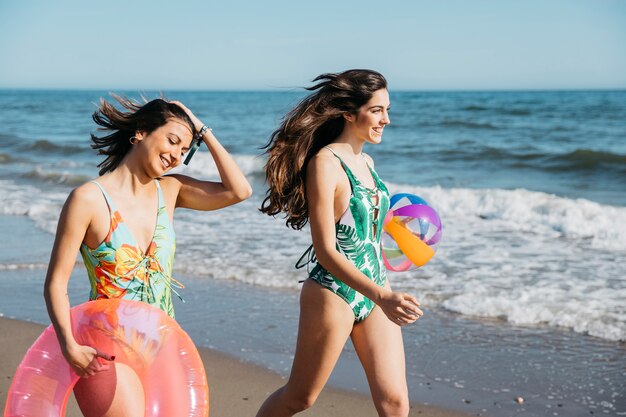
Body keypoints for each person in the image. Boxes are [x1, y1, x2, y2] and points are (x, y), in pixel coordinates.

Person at [43, 96, 252, 417]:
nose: (176, 157)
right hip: (106, 345)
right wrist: (69, 345)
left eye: (184, 151)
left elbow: (239, 191)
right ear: (141, 132)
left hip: (160, 343)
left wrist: (201, 129)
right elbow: (56, 283)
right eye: (172, 141)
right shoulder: (88, 199)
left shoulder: (169, 191)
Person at [257, 69, 423, 417]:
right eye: (377, 110)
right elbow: (326, 250)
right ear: (349, 113)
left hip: (377, 288)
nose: (386, 120)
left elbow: (366, 228)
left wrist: (403, 231)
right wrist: (382, 296)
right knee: (300, 398)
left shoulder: (367, 162)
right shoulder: (325, 163)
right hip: (334, 292)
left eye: (387, 110)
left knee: (396, 404)